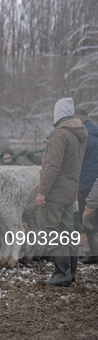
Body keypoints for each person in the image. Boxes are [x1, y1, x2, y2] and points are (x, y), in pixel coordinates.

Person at [35, 98, 87, 287]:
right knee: (67, 231)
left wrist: (43, 191)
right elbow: (66, 166)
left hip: (55, 193)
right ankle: (71, 273)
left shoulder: (59, 134)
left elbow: (53, 165)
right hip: (69, 190)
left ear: (58, 113)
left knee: (51, 230)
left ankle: (61, 273)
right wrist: (41, 184)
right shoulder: (79, 133)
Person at [74, 108, 98, 263]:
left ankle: (94, 253)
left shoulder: (84, 137)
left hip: (86, 184)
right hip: (95, 183)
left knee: (87, 218)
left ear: (79, 120)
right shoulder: (95, 133)